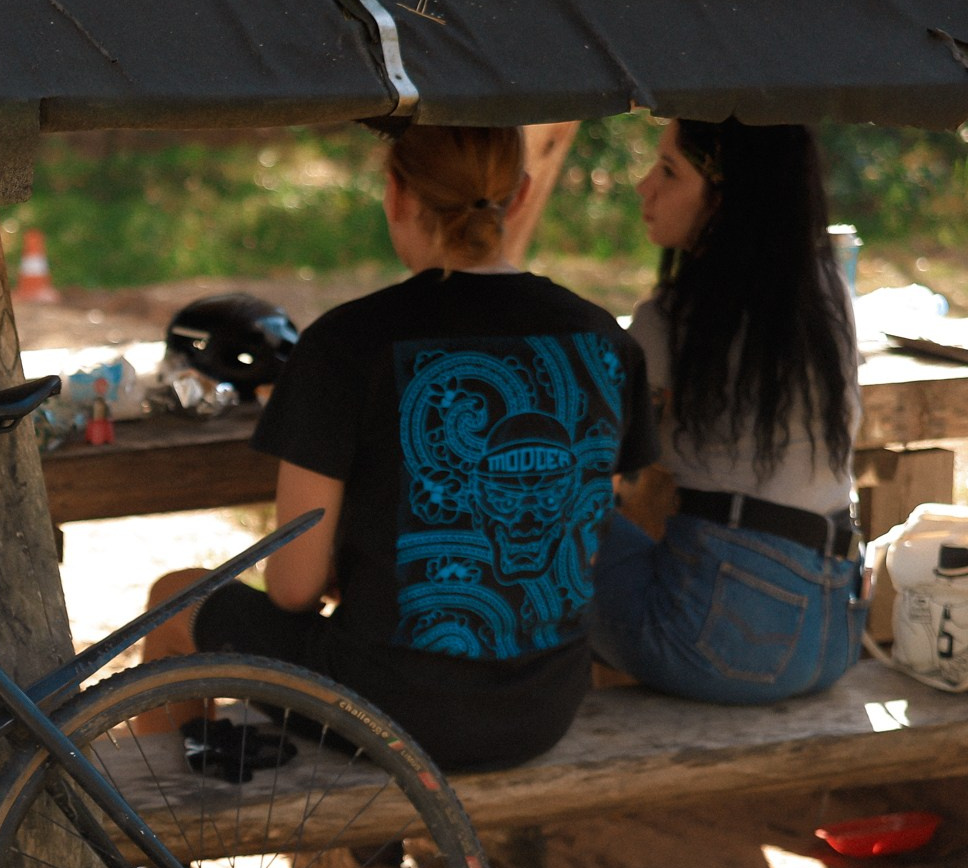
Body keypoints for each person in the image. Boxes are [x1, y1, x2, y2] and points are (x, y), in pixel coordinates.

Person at [141, 123, 658, 774]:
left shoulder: (347, 342)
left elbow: (295, 589)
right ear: (522, 194)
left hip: (391, 715)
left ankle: (165, 828)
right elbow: (577, 526)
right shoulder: (603, 341)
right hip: (543, 708)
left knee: (173, 598)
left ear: (395, 192)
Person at [587, 120, 862, 703]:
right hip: (834, 632)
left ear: (727, 197)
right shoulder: (827, 292)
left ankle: (487, 699)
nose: (643, 187)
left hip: (725, 643)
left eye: (668, 171)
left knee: (536, 524)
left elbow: (598, 466)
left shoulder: (672, 320)